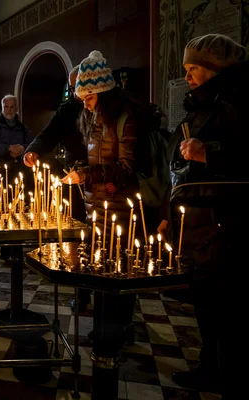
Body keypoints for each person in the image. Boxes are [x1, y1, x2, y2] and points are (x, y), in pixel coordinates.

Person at [158, 34, 247, 398]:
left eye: (194, 68)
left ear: (215, 68)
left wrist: (208, 151)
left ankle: (229, 373)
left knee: (227, 304)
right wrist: (169, 212)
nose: (188, 75)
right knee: (207, 302)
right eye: (186, 69)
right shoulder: (201, 104)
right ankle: (211, 366)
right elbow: (182, 170)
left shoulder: (238, 101)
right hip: (200, 221)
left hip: (229, 221)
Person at [62, 51, 161, 344]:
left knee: (117, 271)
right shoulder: (93, 116)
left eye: (88, 97)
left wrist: (86, 176)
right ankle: (107, 330)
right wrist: (84, 171)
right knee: (102, 268)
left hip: (120, 208)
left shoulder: (125, 118)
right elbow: (101, 160)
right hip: (100, 206)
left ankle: (116, 332)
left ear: (102, 91)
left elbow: (127, 167)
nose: (85, 103)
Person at [24, 65, 90, 310]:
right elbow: (48, 134)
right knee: (75, 236)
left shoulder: (104, 106)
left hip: (102, 180)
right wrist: (33, 150)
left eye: (78, 86)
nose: (75, 92)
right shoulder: (69, 108)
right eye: (71, 87)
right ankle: (81, 289)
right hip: (73, 179)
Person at [0, 94, 31, 260]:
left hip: (13, 175)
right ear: (2, 108)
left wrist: (21, 149)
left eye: (12, 107)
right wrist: (8, 149)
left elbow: (29, 145)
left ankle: (8, 249)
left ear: (16, 108)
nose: (9, 110)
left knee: (12, 212)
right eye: (6, 107)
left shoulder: (22, 128)